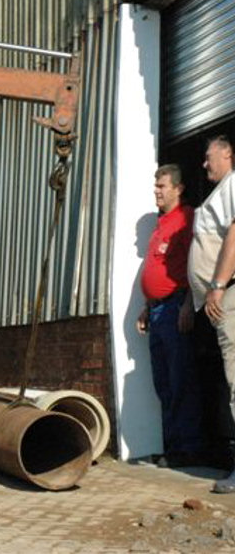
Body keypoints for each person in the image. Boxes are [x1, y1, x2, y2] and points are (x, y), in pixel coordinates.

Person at [136, 164, 203, 467]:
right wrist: (146, 306)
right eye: (156, 186)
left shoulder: (185, 219)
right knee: (163, 382)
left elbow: (194, 263)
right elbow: (158, 270)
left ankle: (188, 448)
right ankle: (172, 446)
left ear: (178, 188)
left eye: (162, 186)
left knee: (181, 380)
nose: (157, 191)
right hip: (157, 311)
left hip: (176, 308)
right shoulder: (161, 223)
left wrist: (189, 303)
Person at [188, 135, 235, 493]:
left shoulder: (233, 185)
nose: (204, 164)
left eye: (209, 157)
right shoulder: (217, 194)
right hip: (214, 300)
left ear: (228, 154)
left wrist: (217, 285)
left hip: (228, 293)